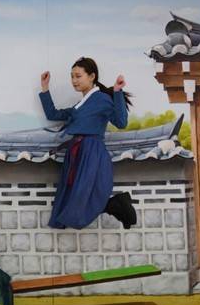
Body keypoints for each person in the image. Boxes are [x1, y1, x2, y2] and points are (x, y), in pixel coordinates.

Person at [39, 56, 137, 230]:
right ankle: (116, 204)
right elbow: (53, 114)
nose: (74, 80)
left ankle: (117, 205)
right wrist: (45, 88)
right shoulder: (80, 105)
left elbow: (121, 122)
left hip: (91, 150)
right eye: (72, 76)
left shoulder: (102, 99)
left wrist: (117, 91)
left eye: (78, 76)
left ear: (92, 76)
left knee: (82, 195)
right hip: (78, 151)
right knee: (74, 195)